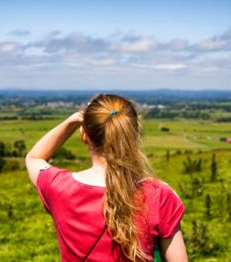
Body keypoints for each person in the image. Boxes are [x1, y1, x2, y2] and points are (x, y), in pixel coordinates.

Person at [26, 94, 188, 261]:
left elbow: (33, 158)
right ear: (132, 137)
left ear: (84, 136)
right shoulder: (159, 195)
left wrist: (73, 120)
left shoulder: (58, 187)